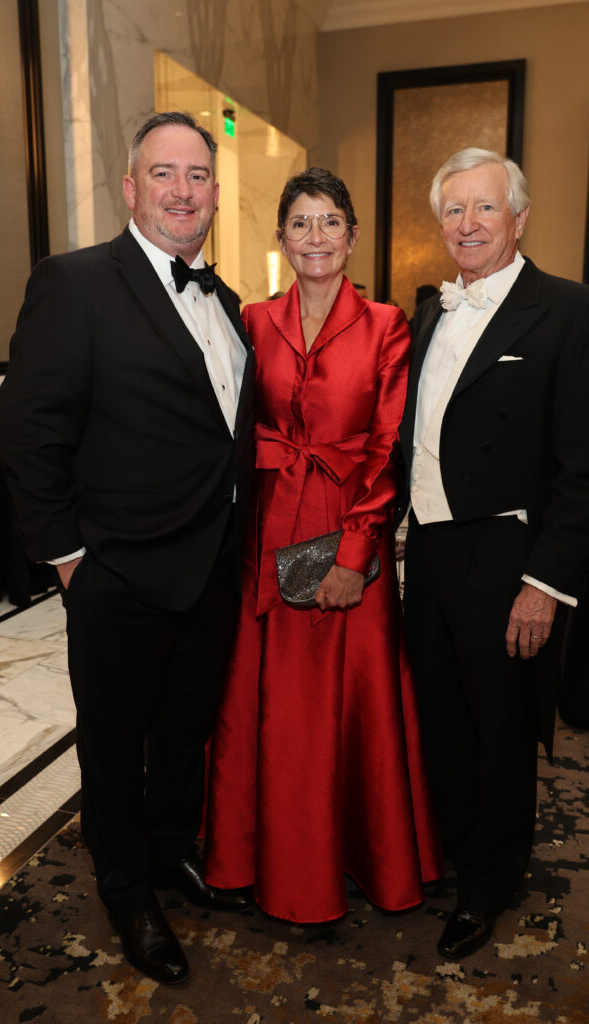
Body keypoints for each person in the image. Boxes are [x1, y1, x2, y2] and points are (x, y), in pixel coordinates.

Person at [0, 112, 255, 985]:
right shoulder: (73, 284)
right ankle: (125, 890)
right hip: (118, 570)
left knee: (184, 732)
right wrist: (69, 560)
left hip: (214, 564)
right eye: (164, 174)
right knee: (115, 744)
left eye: (196, 175)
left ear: (215, 192)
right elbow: (29, 436)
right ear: (130, 188)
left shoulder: (223, 302)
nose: (182, 191)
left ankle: (176, 850)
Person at [203, 167, 442, 924]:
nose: (315, 237)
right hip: (266, 531)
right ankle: (248, 859)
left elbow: (385, 448)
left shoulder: (385, 325)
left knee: (351, 706)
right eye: (300, 223)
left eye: (329, 222)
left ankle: (358, 858)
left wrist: (355, 554)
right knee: (261, 706)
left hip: (347, 529)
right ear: (280, 238)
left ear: (352, 235)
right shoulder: (250, 320)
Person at [399, 148, 589, 960]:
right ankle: (456, 851)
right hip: (427, 548)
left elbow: (588, 469)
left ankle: (491, 882)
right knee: (442, 717)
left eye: (483, 208)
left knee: (501, 725)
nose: (466, 224)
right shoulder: (429, 312)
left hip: (506, 554)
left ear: (518, 219)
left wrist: (544, 585)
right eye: (453, 210)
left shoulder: (572, 310)